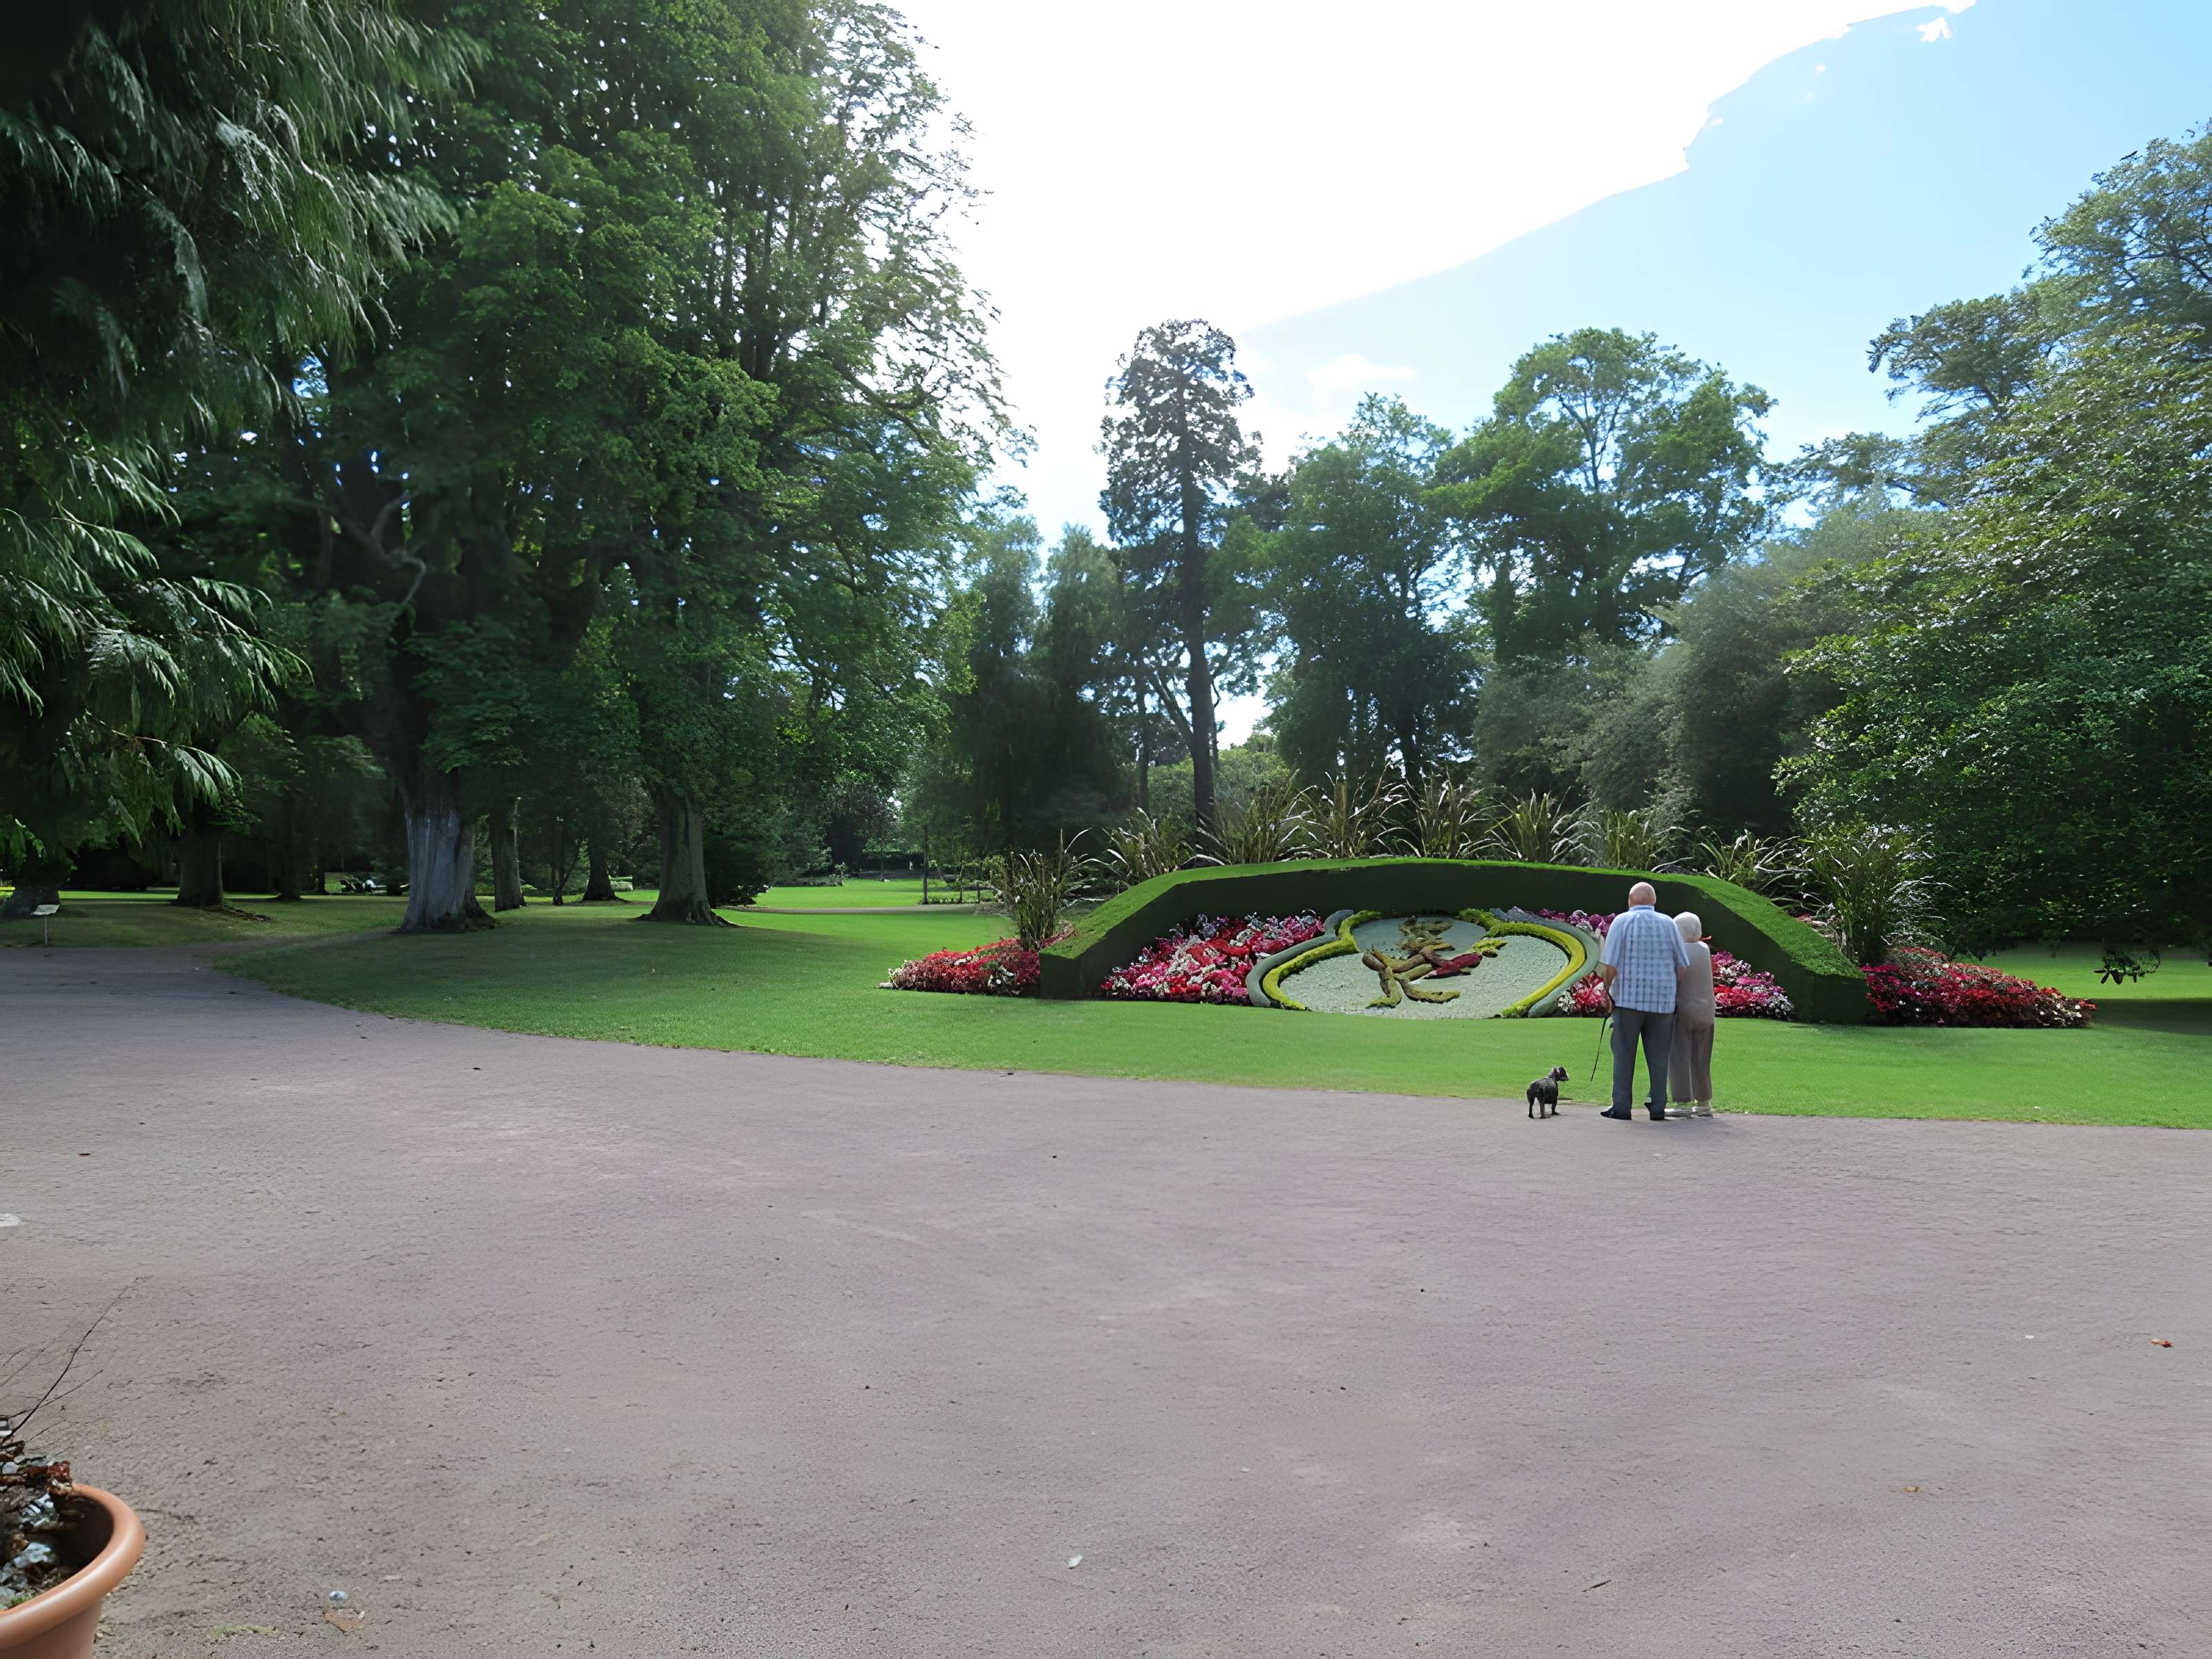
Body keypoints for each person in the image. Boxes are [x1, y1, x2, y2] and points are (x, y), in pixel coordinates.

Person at [1595, 881, 1691, 1123]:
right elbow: (1682, 965)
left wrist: (1607, 991)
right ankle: (1657, 1105)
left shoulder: (1622, 922)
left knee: (1624, 1054)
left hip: (1628, 1000)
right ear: (1654, 901)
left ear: (1630, 902)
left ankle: (1622, 1107)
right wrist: (1669, 987)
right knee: (1660, 1056)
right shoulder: (1669, 924)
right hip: (1662, 1003)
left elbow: (1611, 964)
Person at [1668, 910, 1716, 1118]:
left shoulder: (1679, 951)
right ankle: (1704, 1102)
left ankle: (1682, 1102)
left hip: (1683, 1011)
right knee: (1701, 1059)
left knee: (1679, 1058)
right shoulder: (1704, 949)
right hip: (1706, 1012)